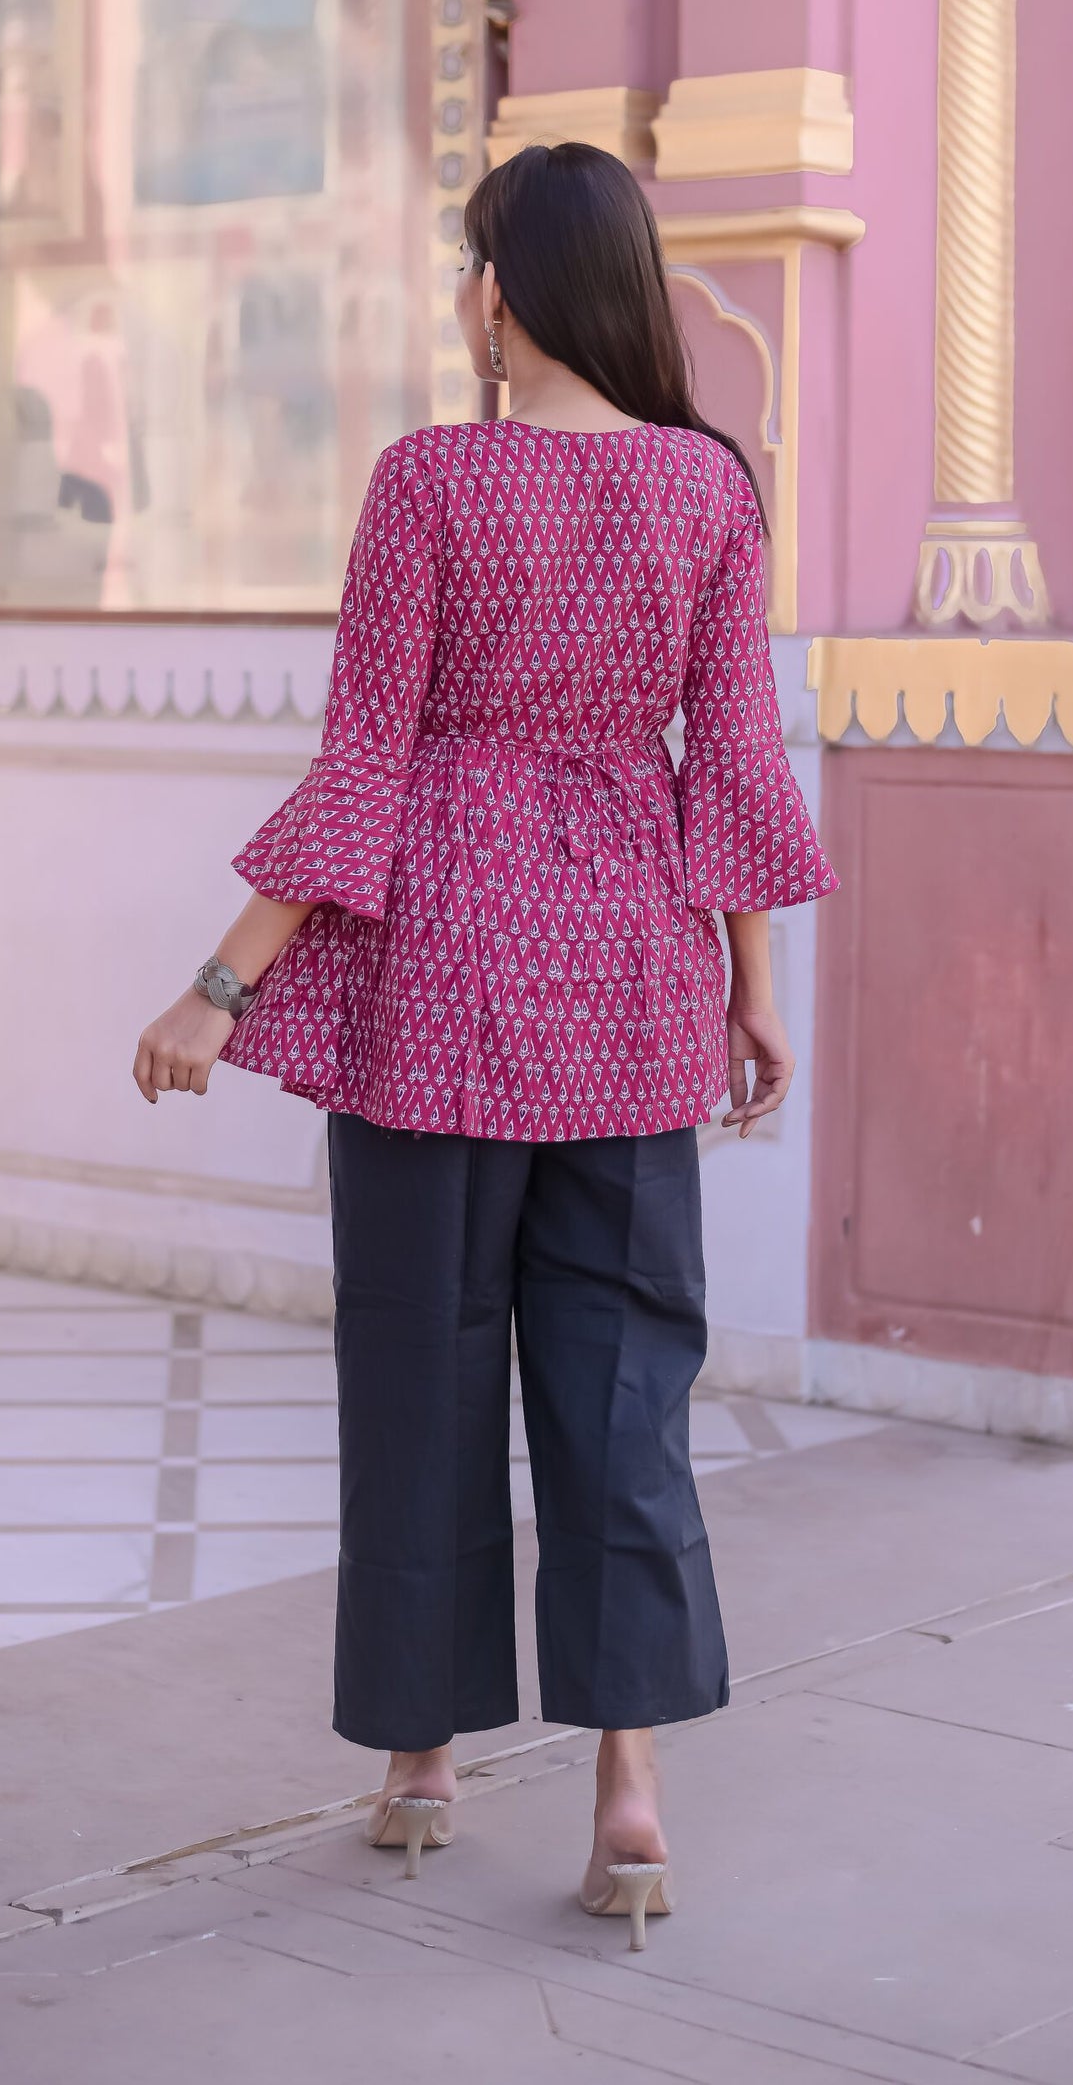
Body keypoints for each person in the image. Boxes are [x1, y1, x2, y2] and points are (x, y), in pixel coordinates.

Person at [133, 142, 837, 1951]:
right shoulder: (707, 485)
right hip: (628, 991)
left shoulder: (430, 479)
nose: (466, 292)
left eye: (470, 264)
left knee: (420, 1375)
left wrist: (216, 989)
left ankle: (426, 1762)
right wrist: (752, 988)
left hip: (435, 993)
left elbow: (365, 760)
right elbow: (734, 769)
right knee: (621, 1402)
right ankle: (628, 1792)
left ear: (506, 290)